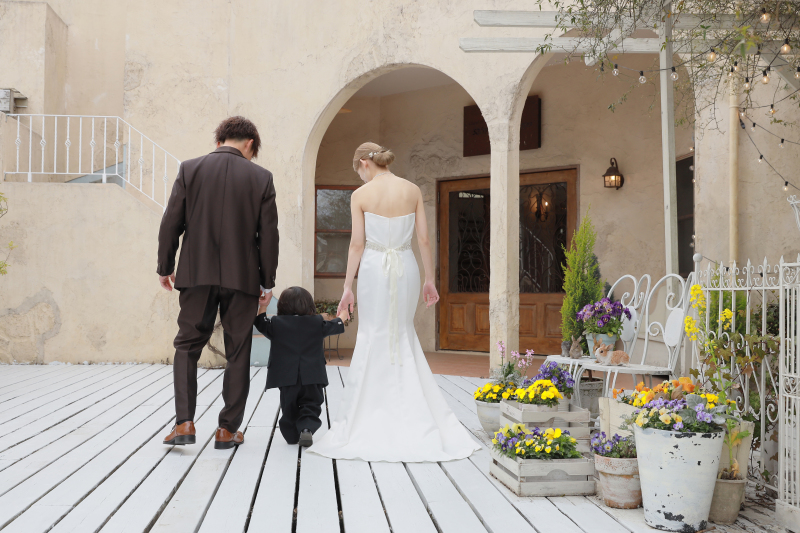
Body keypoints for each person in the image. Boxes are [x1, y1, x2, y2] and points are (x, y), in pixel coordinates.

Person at [307, 142, 481, 462]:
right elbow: (424, 239)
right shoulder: (412, 189)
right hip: (406, 267)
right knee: (401, 333)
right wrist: (430, 280)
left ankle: (368, 410)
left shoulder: (360, 196)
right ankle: (412, 410)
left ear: (364, 163)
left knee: (372, 333)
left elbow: (357, 245)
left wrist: (348, 286)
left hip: (374, 268)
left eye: (358, 171)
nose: (360, 177)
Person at [157, 116, 279, 450]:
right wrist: (266, 283)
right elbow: (269, 236)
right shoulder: (261, 177)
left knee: (187, 346)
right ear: (250, 144)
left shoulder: (189, 169)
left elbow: (171, 222)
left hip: (196, 275)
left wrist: (165, 266)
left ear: (219, 141)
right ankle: (227, 430)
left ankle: (184, 423)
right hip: (243, 279)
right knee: (239, 349)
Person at [253, 286, 348, 447]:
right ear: (309, 305)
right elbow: (335, 325)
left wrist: (263, 305)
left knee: (288, 406)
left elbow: (260, 323)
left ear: (281, 306)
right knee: (311, 404)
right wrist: (343, 315)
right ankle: (306, 428)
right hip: (312, 376)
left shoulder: (276, 324)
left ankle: (291, 435)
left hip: (286, 377)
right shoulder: (317, 322)